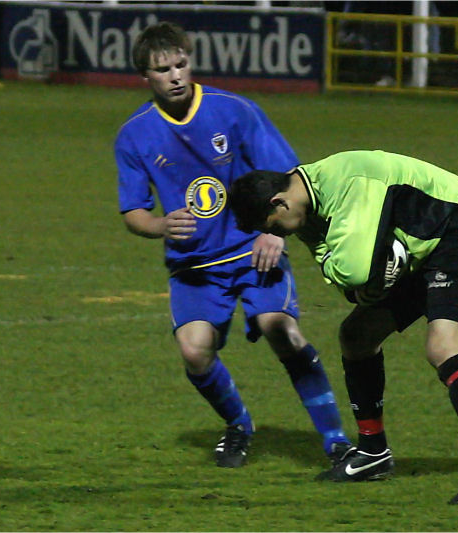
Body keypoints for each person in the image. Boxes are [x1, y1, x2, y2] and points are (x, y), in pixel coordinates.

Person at [114, 22, 351, 470]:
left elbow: (288, 179)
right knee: (194, 350)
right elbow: (133, 213)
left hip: (252, 248)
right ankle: (238, 426)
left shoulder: (235, 111)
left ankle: (337, 440)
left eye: (182, 63)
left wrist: (272, 232)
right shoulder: (134, 135)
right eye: (163, 70)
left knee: (282, 330)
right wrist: (161, 224)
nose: (176, 75)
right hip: (194, 265)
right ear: (145, 77)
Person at [228, 150, 458, 505]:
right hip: (416, 251)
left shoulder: (348, 182)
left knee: (445, 346)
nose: (276, 234)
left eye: (271, 225)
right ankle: (373, 453)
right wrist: (360, 275)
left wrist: (361, 276)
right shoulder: (306, 199)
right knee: (356, 336)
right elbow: (342, 273)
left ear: (280, 202)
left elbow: (354, 272)